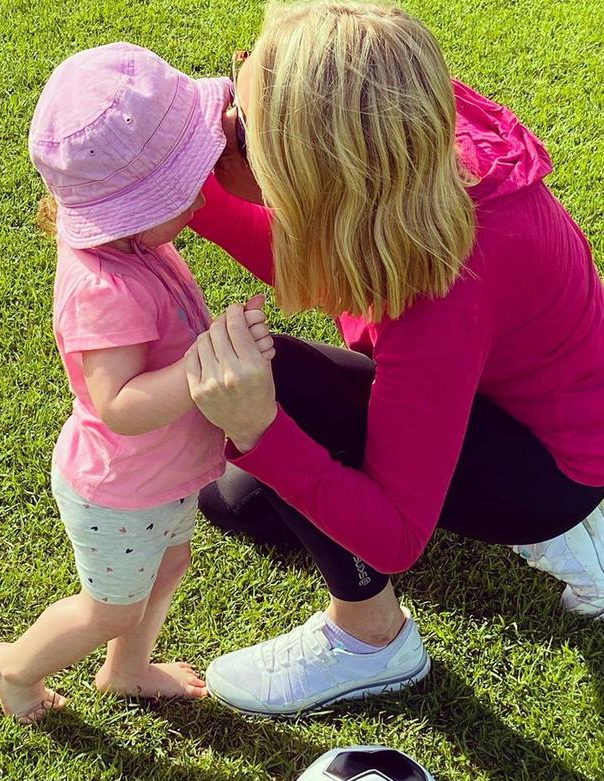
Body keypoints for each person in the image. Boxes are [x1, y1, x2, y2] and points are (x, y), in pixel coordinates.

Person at [185, 0, 604, 716]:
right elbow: (317, 263)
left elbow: (397, 535)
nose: (225, 120)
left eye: (245, 126)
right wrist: (186, 190)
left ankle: (372, 641)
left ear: (321, 170)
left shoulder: (447, 283)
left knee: (274, 391)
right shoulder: (396, 147)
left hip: (553, 466)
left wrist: (261, 429)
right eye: (240, 77)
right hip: (503, 391)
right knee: (233, 501)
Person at [0, 42, 274, 724]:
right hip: (116, 491)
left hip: (159, 479)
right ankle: (16, 667)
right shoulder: (101, 290)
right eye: (185, 187)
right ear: (128, 212)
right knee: (109, 603)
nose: (205, 192)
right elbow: (117, 404)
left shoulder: (134, 244)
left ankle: (127, 668)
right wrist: (204, 363)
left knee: (171, 563)